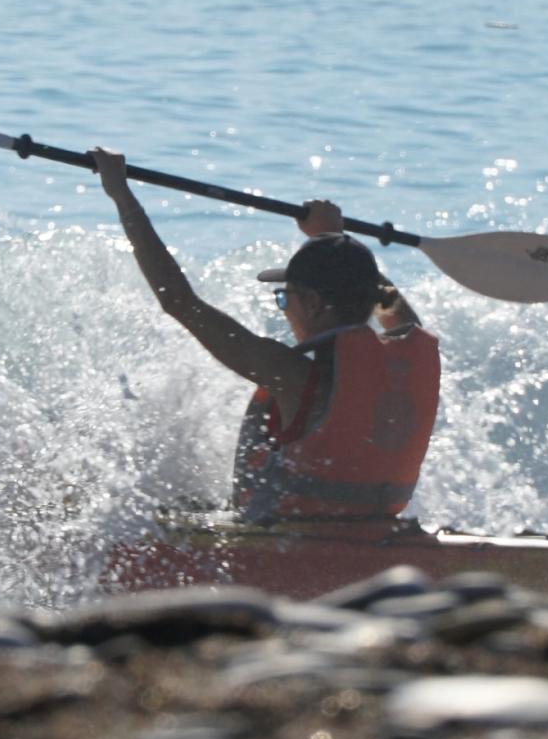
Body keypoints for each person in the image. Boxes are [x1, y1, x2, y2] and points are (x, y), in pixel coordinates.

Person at [90, 148, 440, 527]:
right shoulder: (410, 352)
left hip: (296, 542)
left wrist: (121, 194)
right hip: (376, 530)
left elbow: (178, 301)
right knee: (186, 501)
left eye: (284, 297)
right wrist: (333, 240)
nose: (285, 308)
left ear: (314, 303)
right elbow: (384, 300)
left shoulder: (293, 375)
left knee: (143, 514)